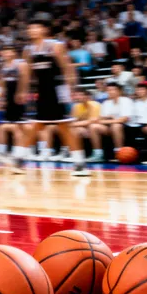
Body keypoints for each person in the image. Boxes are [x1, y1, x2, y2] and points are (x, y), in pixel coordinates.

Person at [20, 19, 90, 176]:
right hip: (42, 92)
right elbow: (27, 74)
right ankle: (19, 159)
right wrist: (24, 90)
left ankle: (80, 163)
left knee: (64, 127)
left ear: (44, 30)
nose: (32, 30)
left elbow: (67, 68)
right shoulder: (28, 50)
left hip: (58, 90)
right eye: (30, 28)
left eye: (36, 27)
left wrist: (72, 88)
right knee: (36, 126)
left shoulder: (55, 45)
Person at [0, 46, 30, 173]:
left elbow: (25, 79)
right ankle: (3, 154)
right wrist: (2, 98)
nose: (6, 53)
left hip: (18, 98)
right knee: (5, 127)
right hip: (9, 99)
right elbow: (3, 83)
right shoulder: (3, 66)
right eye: (4, 51)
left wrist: (21, 92)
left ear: (14, 53)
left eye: (9, 51)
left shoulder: (20, 63)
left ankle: (19, 158)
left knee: (18, 128)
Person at [89, 83, 133, 162]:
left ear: (119, 91)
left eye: (113, 90)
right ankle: (98, 154)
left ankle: (119, 153)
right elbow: (100, 119)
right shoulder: (106, 103)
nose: (110, 92)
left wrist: (107, 120)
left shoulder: (126, 100)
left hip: (126, 126)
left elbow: (123, 120)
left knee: (116, 126)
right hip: (110, 126)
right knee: (93, 126)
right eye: (108, 90)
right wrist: (102, 120)